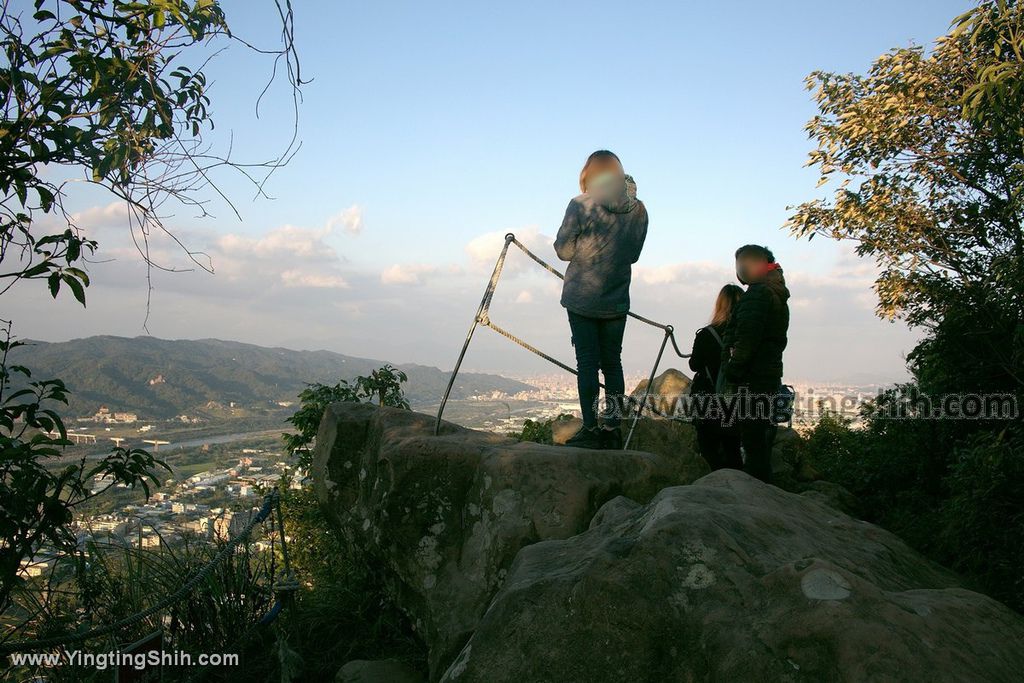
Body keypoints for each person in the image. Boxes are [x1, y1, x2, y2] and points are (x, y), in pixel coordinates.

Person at [554, 150, 648, 449]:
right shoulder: (639, 209)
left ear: (589, 172)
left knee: (587, 364)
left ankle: (591, 429)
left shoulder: (581, 204)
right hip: (617, 298)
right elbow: (633, 254)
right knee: (613, 364)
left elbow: (564, 251)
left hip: (582, 297)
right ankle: (613, 429)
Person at [719, 244, 790, 483]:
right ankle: (762, 485)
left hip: (752, 378)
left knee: (752, 438)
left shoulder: (758, 294)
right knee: (759, 436)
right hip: (767, 375)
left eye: (742, 264)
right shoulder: (776, 291)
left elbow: (746, 339)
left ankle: (757, 490)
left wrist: (732, 369)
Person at [689, 284, 744, 470]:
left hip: (708, 398)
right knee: (733, 449)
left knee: (709, 449)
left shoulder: (706, 334)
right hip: (738, 400)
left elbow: (694, 365)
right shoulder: (744, 336)